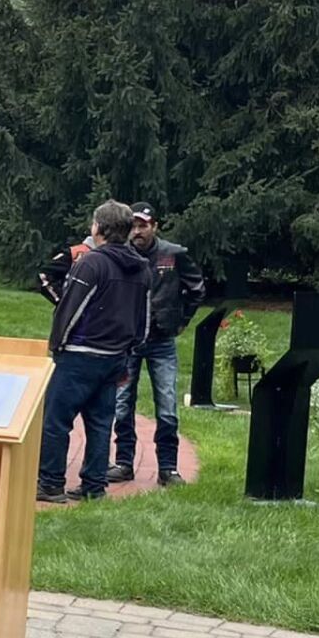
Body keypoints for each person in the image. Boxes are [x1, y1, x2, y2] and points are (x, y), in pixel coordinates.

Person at [37, 199, 151, 504]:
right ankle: (93, 486)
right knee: (100, 424)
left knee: (56, 420)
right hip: (115, 356)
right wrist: (129, 351)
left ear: (98, 227)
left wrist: (57, 344)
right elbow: (144, 318)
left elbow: (71, 307)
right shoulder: (142, 268)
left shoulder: (92, 263)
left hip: (79, 354)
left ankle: (50, 483)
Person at [109, 206, 207, 487]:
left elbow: (197, 289)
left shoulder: (173, 254)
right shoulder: (122, 254)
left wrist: (181, 319)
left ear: (155, 226)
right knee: (122, 403)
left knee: (166, 405)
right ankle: (124, 462)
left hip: (162, 341)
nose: (138, 232)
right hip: (128, 341)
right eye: (134, 226)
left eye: (143, 225)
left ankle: (168, 468)